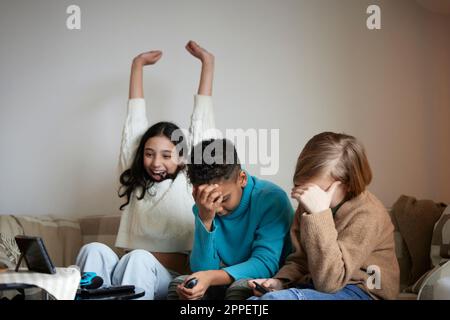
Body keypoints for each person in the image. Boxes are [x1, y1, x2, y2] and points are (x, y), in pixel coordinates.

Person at [76, 41, 217, 300]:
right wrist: (137, 66)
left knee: (138, 258)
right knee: (93, 249)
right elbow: (134, 124)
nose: (155, 163)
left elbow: (203, 127)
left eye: (166, 155)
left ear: (182, 158)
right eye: (149, 154)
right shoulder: (138, 178)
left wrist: (207, 64)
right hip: (130, 266)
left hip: (167, 276)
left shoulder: (190, 181)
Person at [248, 132, 400, 300]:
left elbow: (329, 283)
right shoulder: (310, 204)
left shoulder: (369, 214)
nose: (307, 195)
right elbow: (301, 260)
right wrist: (280, 282)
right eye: (302, 187)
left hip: (361, 291)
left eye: (316, 190)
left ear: (347, 185)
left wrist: (319, 215)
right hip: (317, 285)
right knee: (252, 299)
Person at [167, 139, 294, 300]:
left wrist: (210, 277)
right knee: (181, 286)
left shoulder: (272, 199)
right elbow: (202, 269)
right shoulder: (206, 207)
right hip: (223, 278)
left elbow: (265, 264)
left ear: (242, 179)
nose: (217, 209)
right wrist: (205, 219)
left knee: (239, 289)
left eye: (224, 199)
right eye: (211, 201)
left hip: (265, 281)